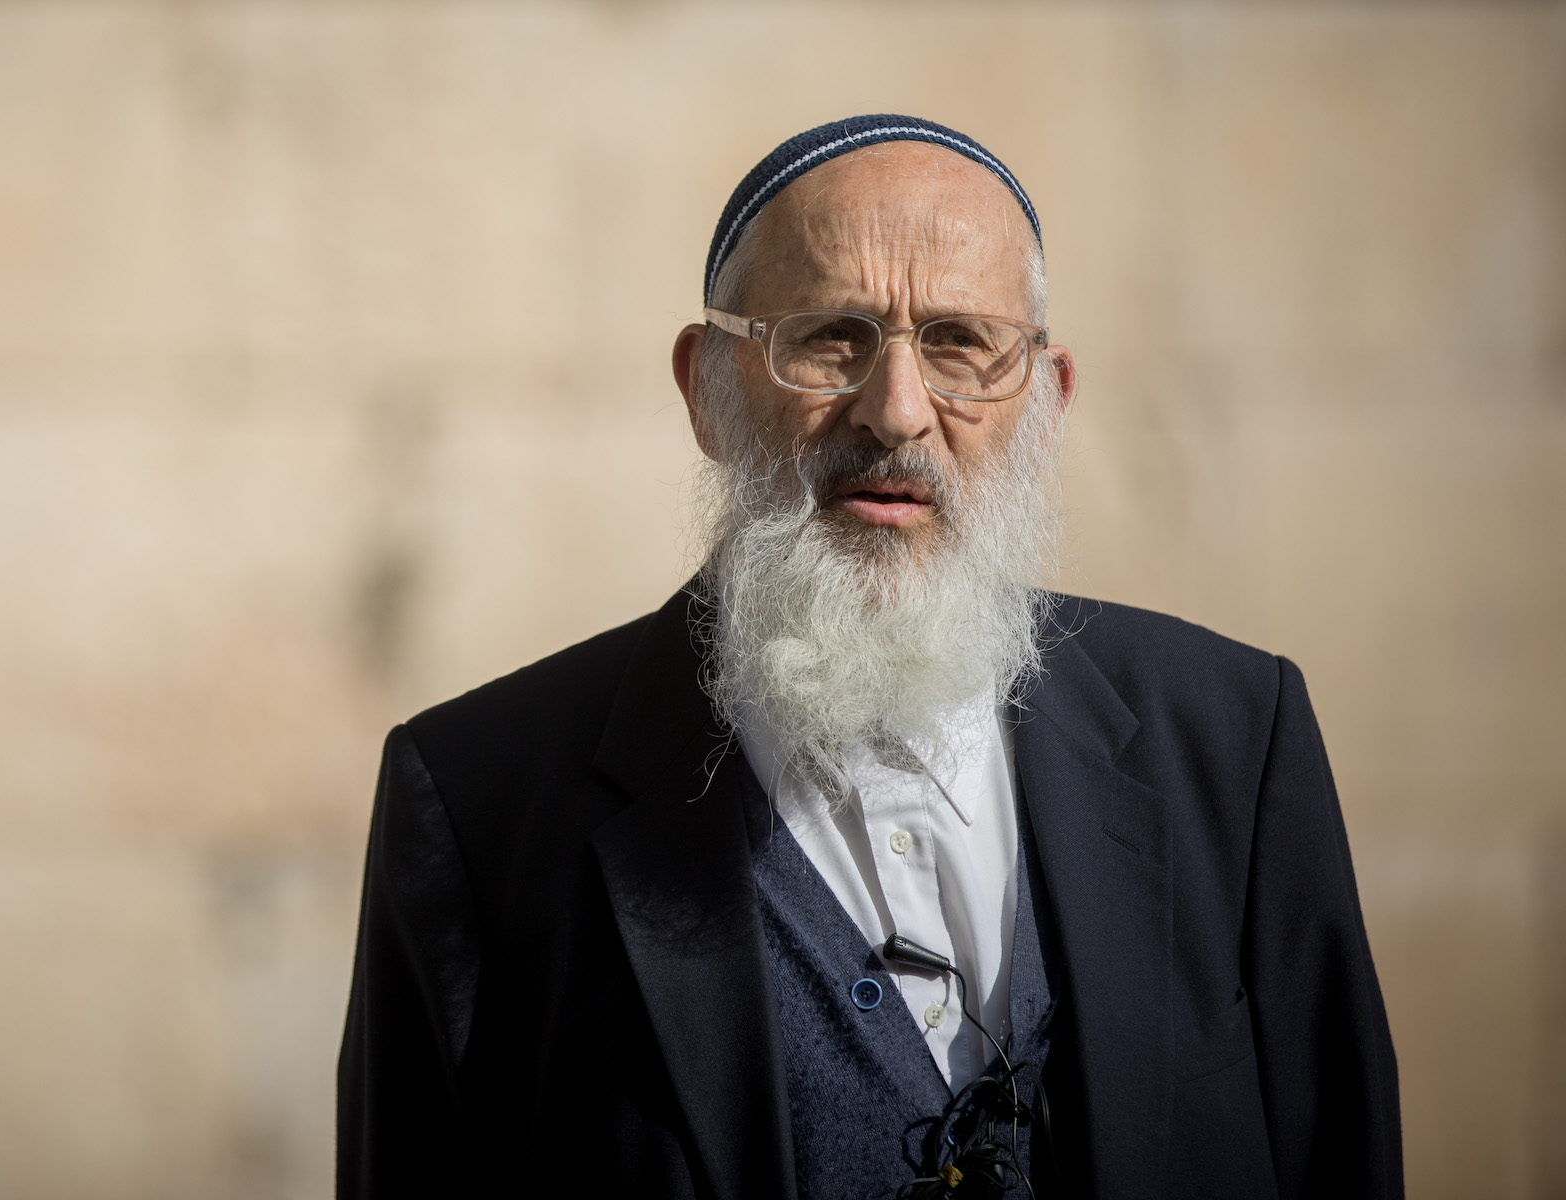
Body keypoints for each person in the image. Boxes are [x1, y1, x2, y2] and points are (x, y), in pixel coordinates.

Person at [336, 115, 1400, 1200]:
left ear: (1046, 394)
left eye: (959, 343)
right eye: (830, 337)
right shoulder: (479, 801)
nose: (896, 412)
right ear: (707, 388)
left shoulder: (1232, 734)